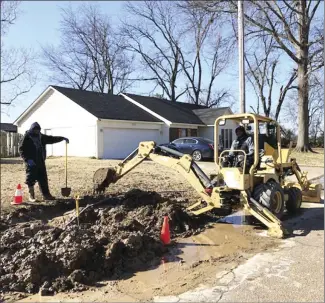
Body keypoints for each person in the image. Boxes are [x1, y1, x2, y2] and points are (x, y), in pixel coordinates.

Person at [18, 122, 69, 202]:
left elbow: (51, 139)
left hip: (40, 161)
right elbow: (21, 150)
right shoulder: (26, 137)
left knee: (43, 178)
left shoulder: (41, 137)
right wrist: (27, 159)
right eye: (35, 130)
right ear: (32, 129)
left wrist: (62, 138)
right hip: (31, 162)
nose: (37, 131)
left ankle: (46, 195)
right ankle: (31, 196)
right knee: (30, 179)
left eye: (38, 130)